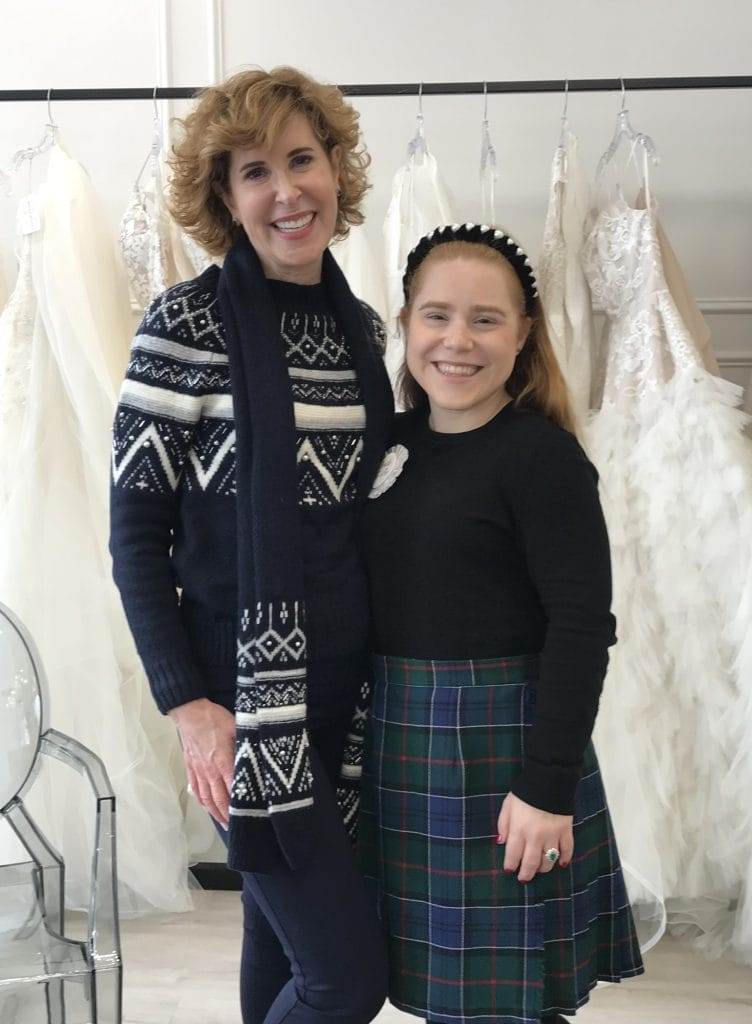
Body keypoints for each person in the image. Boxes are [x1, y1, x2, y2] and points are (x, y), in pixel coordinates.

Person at [109, 66, 393, 1024]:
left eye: (302, 160)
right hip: (246, 715)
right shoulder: (183, 326)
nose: (287, 191)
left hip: (346, 704)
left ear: (336, 170)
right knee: (347, 981)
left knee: (281, 955)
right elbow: (136, 535)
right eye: (255, 172)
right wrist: (189, 705)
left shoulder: (362, 332)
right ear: (225, 198)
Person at [359, 223, 643, 1024]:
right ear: (407, 324)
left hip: (501, 751)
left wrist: (545, 786)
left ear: (522, 335)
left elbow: (583, 626)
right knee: (435, 993)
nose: (457, 340)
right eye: (436, 315)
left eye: (486, 319)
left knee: (502, 1002)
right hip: (395, 741)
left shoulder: (541, 458)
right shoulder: (387, 442)